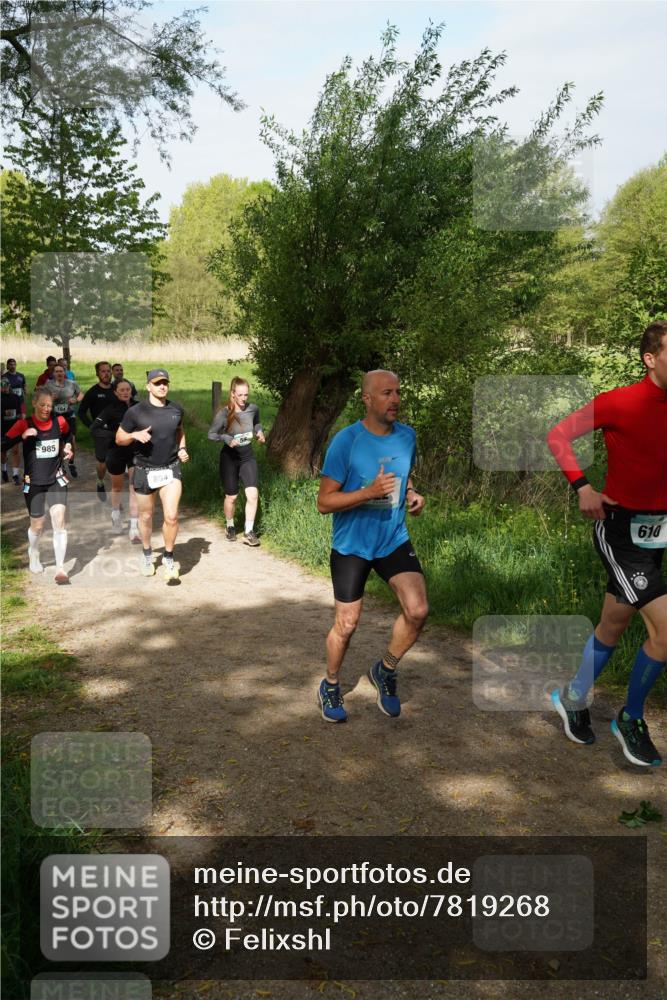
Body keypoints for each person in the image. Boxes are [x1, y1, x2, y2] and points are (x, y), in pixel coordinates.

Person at [547, 320, 667, 767]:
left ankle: (573, 697)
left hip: (656, 534)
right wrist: (582, 487)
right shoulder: (619, 401)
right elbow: (557, 436)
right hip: (617, 529)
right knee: (666, 631)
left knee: (613, 624)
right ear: (650, 359)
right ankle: (631, 718)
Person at [315, 369, 428, 723]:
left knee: (418, 610)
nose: (395, 399)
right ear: (367, 399)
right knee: (347, 624)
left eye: (397, 392)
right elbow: (324, 502)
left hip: (392, 537)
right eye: (386, 393)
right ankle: (330, 684)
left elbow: (403, 473)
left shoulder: (407, 436)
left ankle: (386, 670)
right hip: (352, 545)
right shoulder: (345, 442)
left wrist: (410, 493)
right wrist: (368, 493)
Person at [116, 368, 188, 581]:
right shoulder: (136, 412)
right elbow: (119, 438)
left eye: (165, 382)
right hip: (145, 470)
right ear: (148, 386)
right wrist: (134, 434)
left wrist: (182, 449)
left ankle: (168, 557)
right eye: (157, 383)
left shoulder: (176, 409)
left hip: (170, 468)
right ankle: (147, 554)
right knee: (146, 516)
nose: (162, 386)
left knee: (171, 516)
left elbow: (180, 431)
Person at [1, 387, 73, 584]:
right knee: (38, 525)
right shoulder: (24, 423)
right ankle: (34, 552)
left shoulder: (60, 421)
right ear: (34, 404)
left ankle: (60, 568)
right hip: (33, 483)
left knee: (59, 522)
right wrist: (22, 436)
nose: (46, 409)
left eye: (49, 405)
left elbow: (67, 434)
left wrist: (67, 446)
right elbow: (3, 444)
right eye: (42, 405)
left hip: (56, 479)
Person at [207, 376, 265, 546]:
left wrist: (259, 432)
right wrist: (225, 437)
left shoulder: (253, 409)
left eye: (246, 395)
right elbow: (211, 434)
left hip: (247, 456)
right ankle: (230, 525)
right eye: (240, 395)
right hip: (229, 458)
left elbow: (257, 423)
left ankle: (248, 532)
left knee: (253, 495)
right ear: (232, 394)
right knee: (231, 497)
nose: (243, 399)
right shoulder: (224, 413)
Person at [90, 379, 140, 540]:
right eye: (122, 390)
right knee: (117, 487)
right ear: (116, 392)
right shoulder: (110, 410)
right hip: (115, 452)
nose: (126, 392)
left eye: (128, 389)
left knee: (134, 487)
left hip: (134, 452)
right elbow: (95, 429)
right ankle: (116, 515)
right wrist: (116, 436)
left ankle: (134, 527)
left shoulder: (138, 407)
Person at [78, 361, 116, 500]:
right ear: (97, 374)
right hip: (101, 433)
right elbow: (81, 412)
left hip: (117, 431)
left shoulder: (116, 389)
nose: (106, 374)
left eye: (108, 371)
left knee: (115, 462)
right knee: (102, 462)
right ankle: (100, 482)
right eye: (103, 371)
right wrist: (92, 426)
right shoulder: (93, 392)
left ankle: (116, 493)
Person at [48, 364, 83, 478]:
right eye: (56, 371)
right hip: (55, 416)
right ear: (53, 373)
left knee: (71, 440)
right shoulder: (49, 384)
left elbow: (81, 394)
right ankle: (61, 465)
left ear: (65, 372)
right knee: (59, 441)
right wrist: (50, 399)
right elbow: (40, 397)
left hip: (69, 415)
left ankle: (71, 463)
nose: (59, 373)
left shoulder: (72, 384)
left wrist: (75, 400)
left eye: (61, 371)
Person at [1, 377, 24, 484]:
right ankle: (4, 469)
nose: (4, 388)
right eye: (1, 386)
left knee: (15, 450)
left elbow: (19, 412)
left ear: (9, 386)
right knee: (3, 452)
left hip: (14, 427)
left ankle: (15, 475)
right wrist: (3, 414)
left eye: (5, 385)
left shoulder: (15, 397)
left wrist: (21, 419)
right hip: (2, 427)